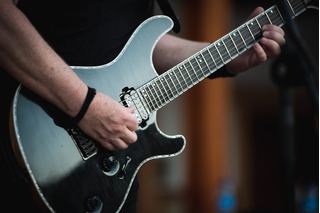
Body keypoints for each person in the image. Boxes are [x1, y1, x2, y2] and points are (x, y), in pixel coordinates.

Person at [0, 0, 285, 212]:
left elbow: (144, 46)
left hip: (104, 176)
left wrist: (229, 58)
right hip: (26, 138)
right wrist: (84, 105)